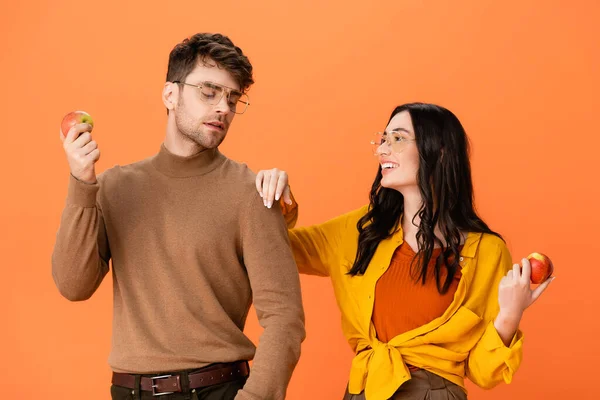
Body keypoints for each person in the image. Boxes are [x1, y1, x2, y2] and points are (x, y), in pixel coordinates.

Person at [52, 32, 305, 400]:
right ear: (170, 95)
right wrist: (81, 182)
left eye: (233, 99)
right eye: (209, 91)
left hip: (217, 390)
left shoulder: (253, 192)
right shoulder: (113, 187)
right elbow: (72, 284)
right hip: (129, 391)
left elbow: (285, 317)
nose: (223, 107)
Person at [256, 102, 553, 400]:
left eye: (397, 139)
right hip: (363, 391)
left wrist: (510, 315)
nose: (382, 149)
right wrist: (275, 197)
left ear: (439, 151)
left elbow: (483, 373)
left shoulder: (488, 251)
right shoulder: (361, 231)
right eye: (383, 140)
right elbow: (274, 248)